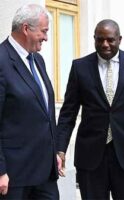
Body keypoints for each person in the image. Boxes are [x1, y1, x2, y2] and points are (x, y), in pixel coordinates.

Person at [57, 19, 124, 200]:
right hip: (91, 156)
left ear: (119, 39)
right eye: (100, 39)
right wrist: (60, 149)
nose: (105, 44)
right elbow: (68, 112)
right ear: (94, 39)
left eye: (110, 40)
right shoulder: (80, 67)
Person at [0, 4, 61, 200]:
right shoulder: (1, 61)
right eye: (44, 31)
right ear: (26, 28)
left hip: (45, 174)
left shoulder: (38, 60)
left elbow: (45, 113)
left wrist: (55, 153)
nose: (46, 38)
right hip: (14, 177)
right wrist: (1, 171)